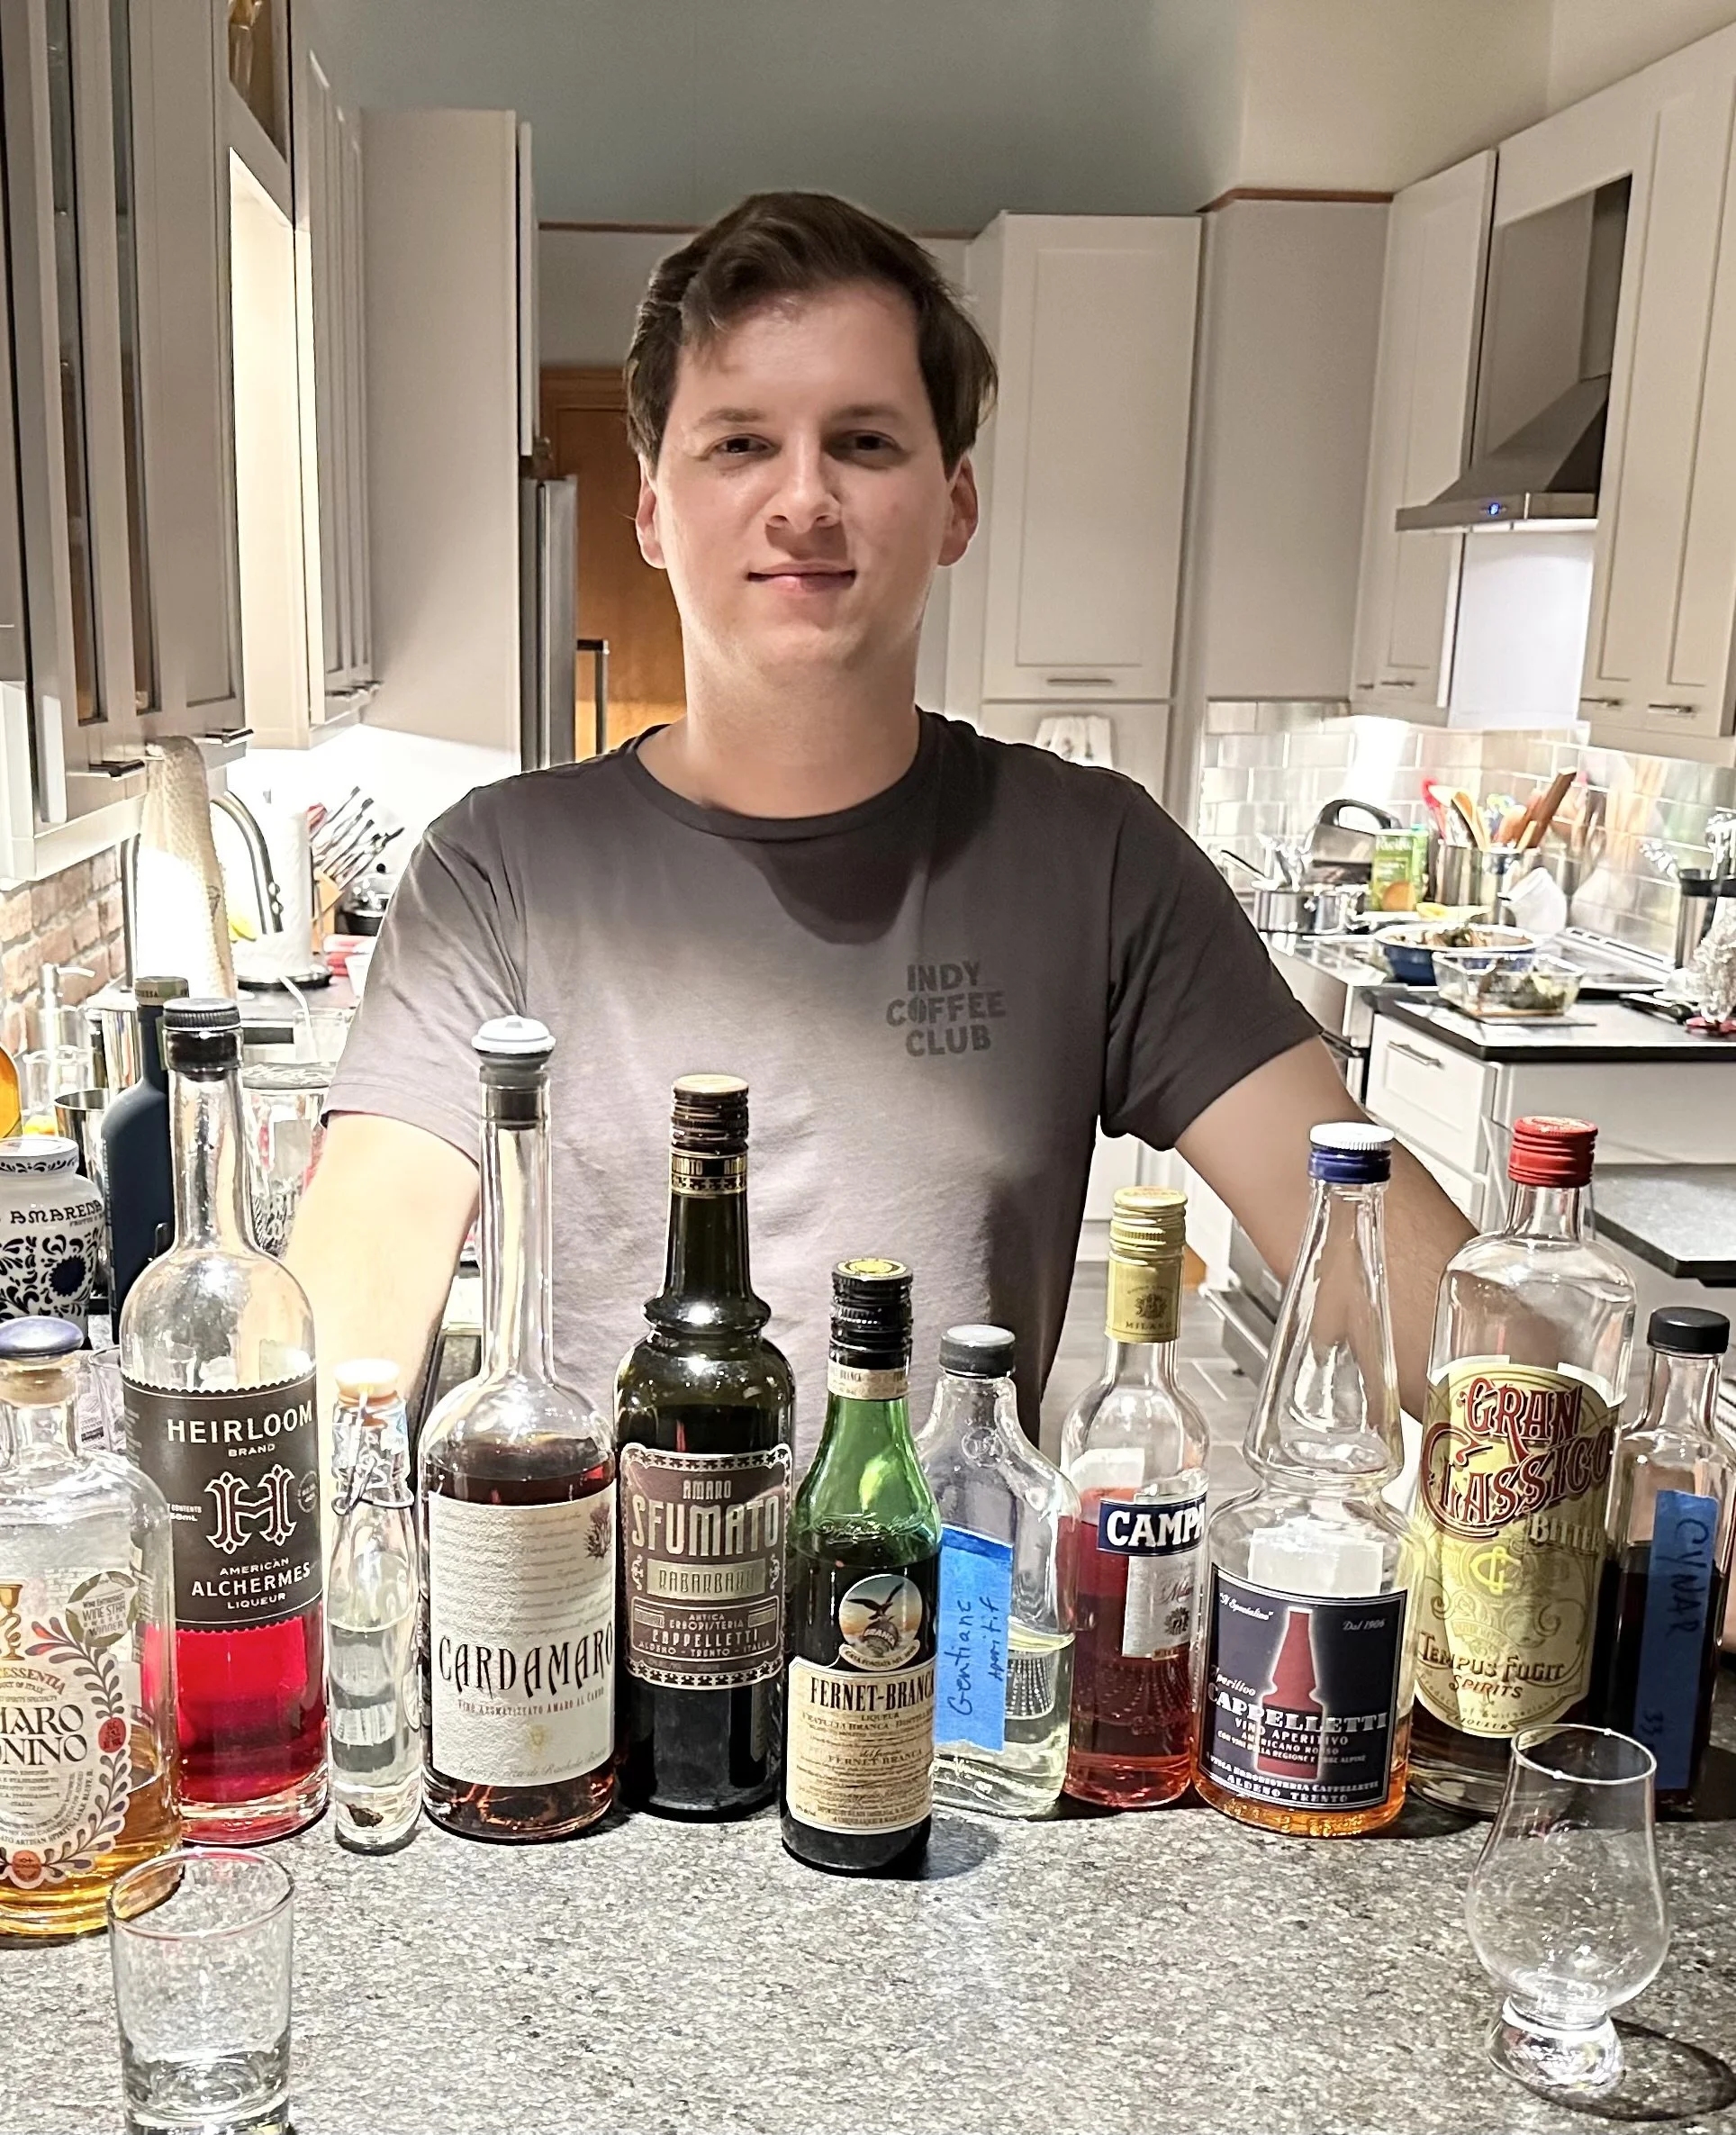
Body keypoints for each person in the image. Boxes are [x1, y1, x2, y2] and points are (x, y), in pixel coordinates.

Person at [289, 189, 1470, 1466]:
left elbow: (1385, 1266)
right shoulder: (498, 877)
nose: (803, 499)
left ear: (956, 504)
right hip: (600, 1651)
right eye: (740, 444)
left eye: (862, 441)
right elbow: (342, 1323)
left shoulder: (1096, 861)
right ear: (651, 510)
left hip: (950, 1648)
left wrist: (1634, 1461)